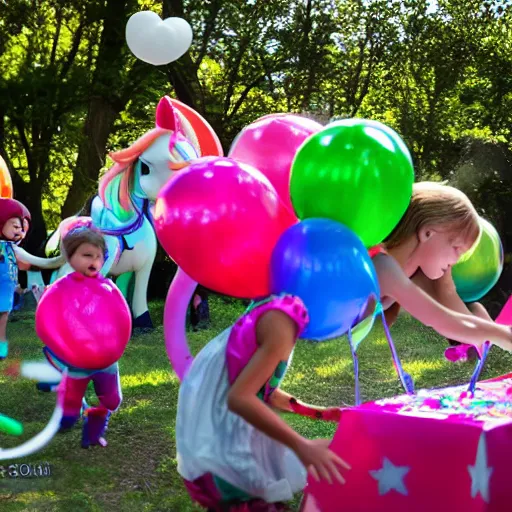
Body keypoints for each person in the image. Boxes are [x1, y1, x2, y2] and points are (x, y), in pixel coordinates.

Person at [176, 294, 350, 511]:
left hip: (220, 441)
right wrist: (302, 446)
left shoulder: (274, 307)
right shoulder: (282, 320)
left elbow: (264, 390)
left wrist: (318, 413)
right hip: (225, 450)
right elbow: (240, 397)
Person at [364, 182, 512, 355]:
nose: (455, 262)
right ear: (427, 233)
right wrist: (501, 334)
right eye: (457, 249)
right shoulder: (382, 266)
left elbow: (449, 306)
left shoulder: (407, 271)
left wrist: (491, 330)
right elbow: (442, 320)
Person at [40, 226, 123, 448]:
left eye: (98, 256)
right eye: (87, 255)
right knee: (70, 408)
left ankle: (94, 423)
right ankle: (70, 415)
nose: (94, 261)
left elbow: (120, 316)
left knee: (112, 400)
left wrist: (117, 340)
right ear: (70, 257)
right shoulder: (62, 288)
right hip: (77, 358)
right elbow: (49, 316)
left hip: (106, 358)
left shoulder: (107, 288)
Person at [0, 198, 63, 360]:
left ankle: (1, 346)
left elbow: (41, 262)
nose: (19, 232)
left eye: (23, 229)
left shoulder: (13, 249)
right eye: (15, 226)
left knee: (3, 316)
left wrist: (64, 258)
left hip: (6, 291)